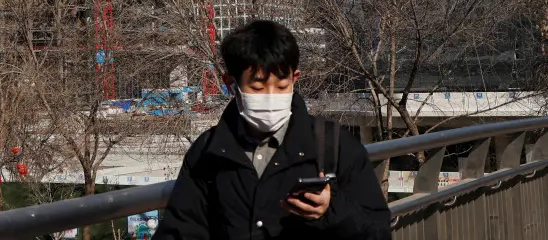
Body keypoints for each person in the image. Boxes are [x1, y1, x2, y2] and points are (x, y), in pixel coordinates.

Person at [154, 20, 392, 240]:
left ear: (295, 78)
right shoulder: (208, 152)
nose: (270, 97)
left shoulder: (333, 144)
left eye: (281, 86)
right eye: (257, 88)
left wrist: (332, 209)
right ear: (231, 84)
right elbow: (181, 231)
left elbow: (379, 230)